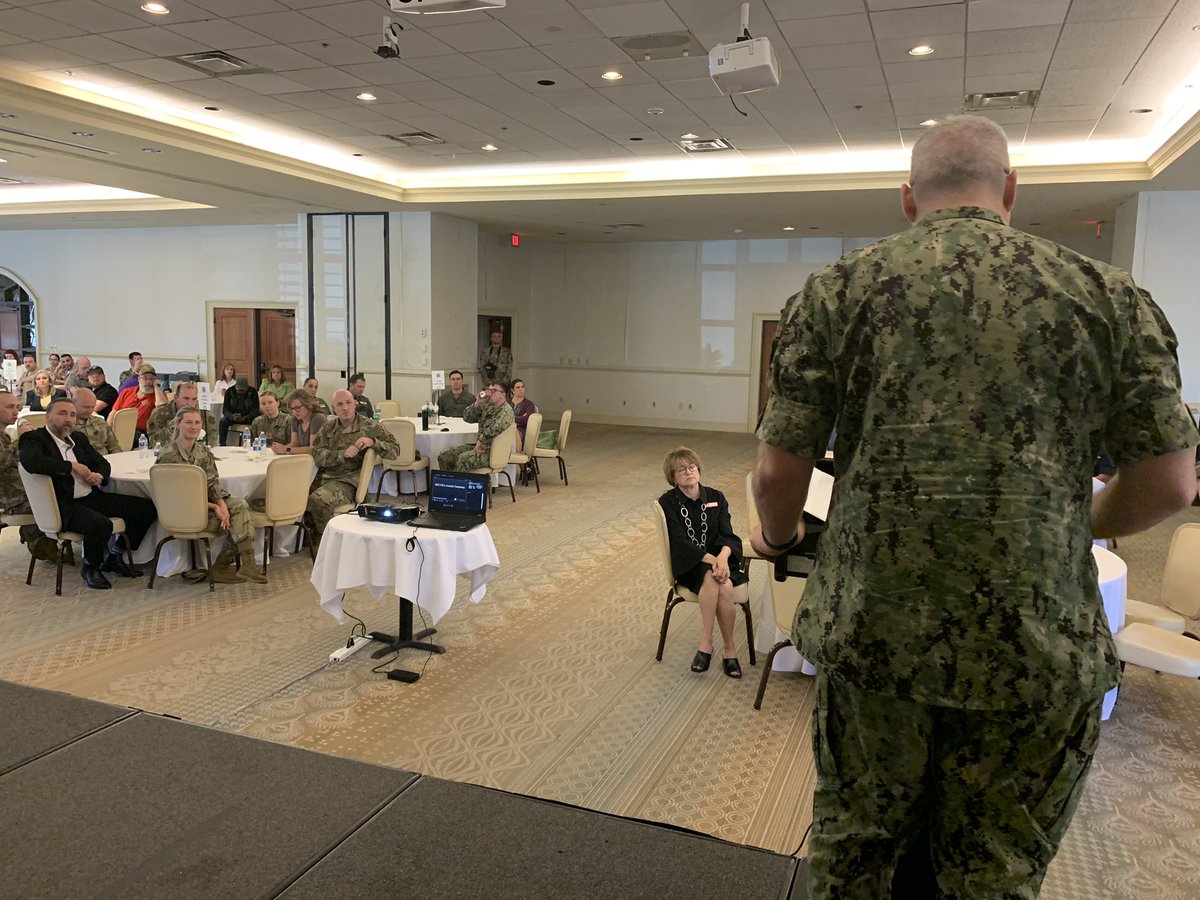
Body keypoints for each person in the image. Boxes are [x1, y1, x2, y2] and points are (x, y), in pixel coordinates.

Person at [749, 115, 1200, 899]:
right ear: (1012, 191)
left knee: (855, 853)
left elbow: (776, 469)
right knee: (992, 872)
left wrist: (776, 537)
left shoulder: (836, 292)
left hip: (874, 637)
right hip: (1033, 647)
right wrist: (1079, 525)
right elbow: (1170, 484)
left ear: (907, 199)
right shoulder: (1109, 298)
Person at [19, 397, 156, 589]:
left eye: (72, 414)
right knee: (100, 524)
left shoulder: (79, 439)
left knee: (146, 508)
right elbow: (32, 462)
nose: (68, 418)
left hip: (89, 497)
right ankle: (91, 568)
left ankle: (115, 555)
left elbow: (102, 462)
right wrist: (72, 466)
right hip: (62, 504)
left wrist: (99, 475)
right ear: (48, 416)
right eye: (62, 413)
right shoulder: (34, 439)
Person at [659, 447, 749, 677]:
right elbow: (678, 541)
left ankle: (712, 648)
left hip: (721, 561)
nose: (688, 472)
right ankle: (721, 648)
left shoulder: (716, 497)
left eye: (692, 467)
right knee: (714, 578)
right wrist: (712, 561)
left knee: (725, 584)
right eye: (681, 469)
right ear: (672, 476)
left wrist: (722, 558)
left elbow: (728, 534)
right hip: (690, 564)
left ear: (699, 469)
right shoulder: (668, 502)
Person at [156, 408, 267, 585]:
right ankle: (222, 567)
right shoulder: (169, 455)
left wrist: (222, 504)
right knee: (237, 518)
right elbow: (180, 494)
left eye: (197, 423)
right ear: (178, 424)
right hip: (183, 511)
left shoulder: (202, 451)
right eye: (188, 422)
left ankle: (247, 564)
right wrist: (215, 508)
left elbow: (212, 482)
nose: (194, 427)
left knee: (239, 507)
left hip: (204, 505)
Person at [307, 389, 398, 541]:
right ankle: (303, 541)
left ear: (355, 404)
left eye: (349, 403)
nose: (345, 408)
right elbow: (316, 453)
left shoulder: (369, 426)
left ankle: (327, 541)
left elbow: (395, 450)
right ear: (333, 407)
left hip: (349, 481)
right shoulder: (328, 428)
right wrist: (341, 454)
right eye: (340, 404)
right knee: (293, 495)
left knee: (318, 499)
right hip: (323, 478)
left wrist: (373, 442)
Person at [0, 388, 52, 562]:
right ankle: (41, 541)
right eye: (9, 407)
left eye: (17, 407)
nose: (15, 412)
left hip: (19, 489)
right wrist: (21, 440)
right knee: (55, 501)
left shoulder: (4, 434)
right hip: (8, 497)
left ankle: (41, 539)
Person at [437, 381, 515, 471]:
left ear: (503, 394)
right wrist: (477, 403)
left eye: (493, 391)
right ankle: (447, 483)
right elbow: (467, 418)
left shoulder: (506, 410)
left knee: (463, 459)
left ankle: (459, 484)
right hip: (480, 447)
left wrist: (480, 441)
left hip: (494, 452)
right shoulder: (487, 406)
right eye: (489, 390)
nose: (489, 393)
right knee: (445, 456)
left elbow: (494, 429)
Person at [146, 381, 212, 449]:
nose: (190, 403)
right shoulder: (160, 413)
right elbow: (156, 444)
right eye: (186, 398)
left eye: (194, 399)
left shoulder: (206, 415)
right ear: (176, 398)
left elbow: (210, 444)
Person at [112, 364, 167, 440]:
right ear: (139, 379)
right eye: (145, 378)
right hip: (120, 428)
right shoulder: (127, 392)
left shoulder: (158, 395)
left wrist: (156, 386)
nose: (148, 381)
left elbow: (162, 406)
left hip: (141, 433)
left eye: (151, 379)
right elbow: (113, 412)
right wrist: (108, 429)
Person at [73, 388, 122, 456]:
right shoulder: (68, 426)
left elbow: (114, 446)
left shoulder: (100, 422)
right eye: (86, 407)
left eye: (92, 407)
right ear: (73, 404)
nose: (90, 410)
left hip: (107, 460)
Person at [275, 390, 325, 455]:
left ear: (308, 404)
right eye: (292, 408)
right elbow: (295, 443)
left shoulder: (318, 418)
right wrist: (280, 448)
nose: (295, 411)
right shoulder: (295, 420)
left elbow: (313, 449)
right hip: (304, 458)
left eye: (298, 407)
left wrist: (286, 449)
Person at [219, 377, 259, 446]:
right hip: (234, 416)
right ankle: (222, 443)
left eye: (243, 390)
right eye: (239, 390)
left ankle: (255, 443)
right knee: (223, 421)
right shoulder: (229, 391)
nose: (241, 392)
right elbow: (225, 409)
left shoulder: (253, 392)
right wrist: (232, 416)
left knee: (258, 420)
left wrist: (246, 417)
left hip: (248, 416)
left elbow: (255, 409)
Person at [509, 378, 537, 451]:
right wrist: (519, 418)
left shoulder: (529, 404)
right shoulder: (507, 402)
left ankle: (517, 458)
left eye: (522, 387)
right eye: (518, 387)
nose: (521, 389)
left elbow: (525, 419)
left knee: (514, 432)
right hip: (505, 428)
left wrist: (508, 418)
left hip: (521, 430)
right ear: (512, 390)